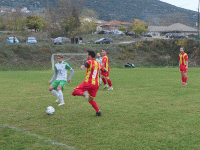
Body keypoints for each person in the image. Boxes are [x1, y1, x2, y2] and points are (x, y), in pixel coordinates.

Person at [72, 50, 106, 116]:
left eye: (87, 55)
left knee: (74, 92)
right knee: (90, 99)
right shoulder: (98, 63)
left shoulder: (89, 61)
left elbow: (86, 64)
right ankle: (98, 111)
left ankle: (84, 94)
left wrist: (83, 66)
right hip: (96, 85)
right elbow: (103, 69)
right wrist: (105, 70)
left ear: (90, 56)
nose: (87, 56)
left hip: (88, 83)